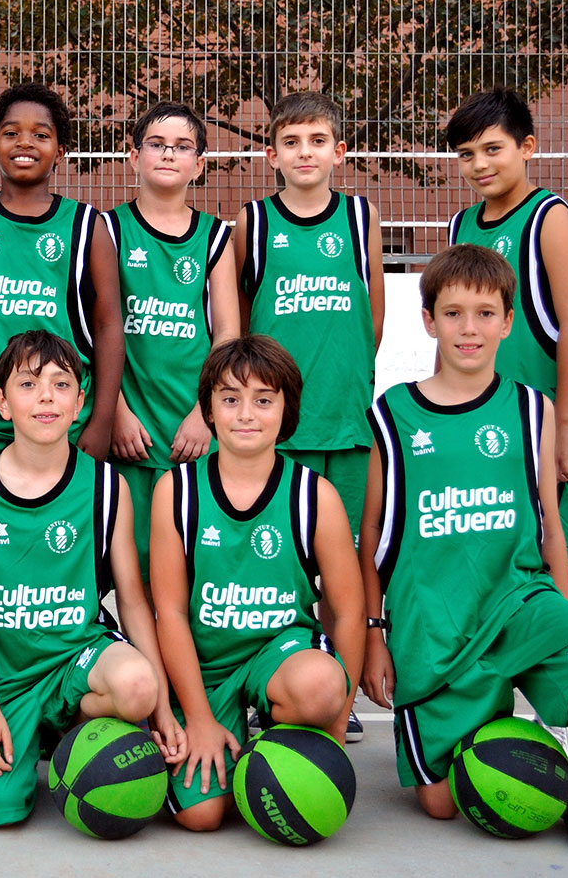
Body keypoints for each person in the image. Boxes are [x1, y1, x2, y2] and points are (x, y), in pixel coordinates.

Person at [359, 244, 568, 856]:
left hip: (517, 601)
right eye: (452, 313)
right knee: (442, 805)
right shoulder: (394, 413)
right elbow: (372, 531)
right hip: (435, 625)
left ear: (508, 322)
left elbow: (550, 524)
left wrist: (566, 609)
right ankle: (507, 735)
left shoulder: (533, 408)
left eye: (485, 314)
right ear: (428, 320)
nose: (469, 329)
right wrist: (375, 633)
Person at [0, 330, 183, 827]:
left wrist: (162, 707)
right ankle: (6, 733)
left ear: (79, 403)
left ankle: (66, 734)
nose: (46, 397)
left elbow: (132, 601)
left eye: (60, 385)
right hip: (6, 677)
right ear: (2, 402)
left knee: (137, 686)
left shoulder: (105, 485)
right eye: (28, 384)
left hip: (77, 657)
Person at [152, 335, 364, 831]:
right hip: (207, 667)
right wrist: (199, 720)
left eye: (264, 400)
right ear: (208, 410)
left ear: (286, 411)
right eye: (230, 399)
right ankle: (219, 737)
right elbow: (171, 613)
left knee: (319, 687)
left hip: (280, 653)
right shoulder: (176, 491)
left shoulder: (315, 495)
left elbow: (349, 611)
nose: (246, 414)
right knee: (202, 817)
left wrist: (337, 719)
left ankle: (277, 737)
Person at [237, 91, 384, 743]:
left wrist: (347, 381)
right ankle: (271, 682)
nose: (305, 153)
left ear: (339, 152)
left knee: (340, 565)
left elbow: (372, 314)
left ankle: (333, 684)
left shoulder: (359, 216)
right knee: (278, 567)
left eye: (318, 141)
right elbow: (243, 321)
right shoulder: (253, 222)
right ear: (271, 155)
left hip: (344, 421)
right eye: (291, 142)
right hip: (279, 430)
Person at [445, 86, 568, 593]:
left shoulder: (548, 217)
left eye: (493, 149)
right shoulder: (461, 226)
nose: (479, 164)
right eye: (466, 154)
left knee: (546, 561)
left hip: (535, 423)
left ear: (526, 147)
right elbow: (450, 329)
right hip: (475, 420)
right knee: (483, 557)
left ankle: (559, 638)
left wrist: (565, 426)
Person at [0, 83, 123, 466]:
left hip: (61, 425)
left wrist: (103, 420)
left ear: (60, 150)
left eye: (40, 135)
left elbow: (107, 326)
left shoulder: (86, 226)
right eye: (11, 133)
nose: (25, 142)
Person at [105, 101, 240, 587]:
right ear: (133, 157)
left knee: (196, 571)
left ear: (199, 165)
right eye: (156, 144)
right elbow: (94, 332)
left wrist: (206, 413)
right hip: (133, 434)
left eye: (182, 147)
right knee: (135, 576)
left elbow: (227, 333)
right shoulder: (108, 229)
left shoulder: (215, 236)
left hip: (193, 431)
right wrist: (115, 411)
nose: (168, 154)